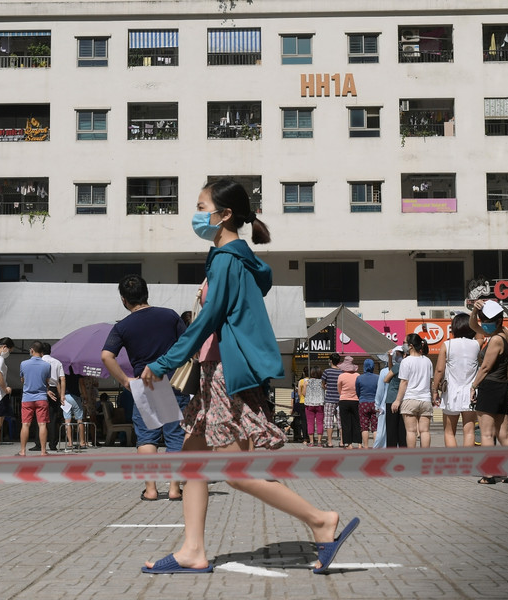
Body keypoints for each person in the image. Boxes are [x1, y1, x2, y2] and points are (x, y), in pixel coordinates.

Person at [140, 179, 358, 574]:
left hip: (225, 375)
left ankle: (321, 521)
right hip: (214, 375)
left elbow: (209, 318)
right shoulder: (231, 259)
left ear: (224, 215)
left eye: (201, 204)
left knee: (235, 474)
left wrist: (164, 362)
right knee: (191, 463)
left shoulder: (226, 260)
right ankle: (192, 549)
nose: (196, 212)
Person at [102, 273, 189, 501]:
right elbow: (188, 344)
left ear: (124, 300)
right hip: (173, 382)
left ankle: (150, 490)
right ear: (147, 293)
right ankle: (174, 488)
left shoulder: (123, 327)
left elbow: (106, 356)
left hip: (144, 385)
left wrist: (125, 381)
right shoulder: (169, 316)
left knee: (146, 438)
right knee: (175, 436)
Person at [469, 299, 508, 484]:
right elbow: (473, 326)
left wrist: (473, 386)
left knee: (486, 434)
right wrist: (474, 312)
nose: (484, 323)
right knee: (503, 435)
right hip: (502, 388)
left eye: (487, 319)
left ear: (499, 320)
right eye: (483, 319)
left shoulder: (495, 340)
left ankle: (489, 474)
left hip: (489, 387)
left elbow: (485, 368)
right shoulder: (504, 333)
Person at [432, 312, 482, 448]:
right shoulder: (476, 345)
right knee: (469, 431)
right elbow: (480, 334)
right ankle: (468, 464)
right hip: (471, 393)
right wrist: (474, 317)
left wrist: (435, 390)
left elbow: (439, 370)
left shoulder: (447, 345)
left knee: (449, 432)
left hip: (451, 394)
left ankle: (454, 464)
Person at [391, 334, 433, 448]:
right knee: (425, 431)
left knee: (411, 431)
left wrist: (397, 401)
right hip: (425, 399)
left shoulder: (406, 361)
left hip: (410, 399)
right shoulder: (428, 361)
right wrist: (433, 397)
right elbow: (430, 382)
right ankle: (425, 456)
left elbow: (404, 382)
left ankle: (412, 456)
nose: (403, 344)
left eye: (404, 342)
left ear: (410, 346)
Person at [18, 341, 52, 456]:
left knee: (25, 424)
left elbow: (22, 380)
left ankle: (22, 451)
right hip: (42, 397)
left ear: (32, 350)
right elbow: (47, 382)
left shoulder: (23, 364)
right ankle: (43, 451)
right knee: (42, 425)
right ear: (42, 352)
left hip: (27, 398)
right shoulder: (47, 365)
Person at [41, 342, 66, 452]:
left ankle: (39, 444)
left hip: (42, 389)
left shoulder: (39, 362)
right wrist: (62, 395)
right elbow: (62, 379)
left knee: (40, 417)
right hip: (54, 389)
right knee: (53, 418)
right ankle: (53, 444)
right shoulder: (57, 362)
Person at [383, 346, 408, 447]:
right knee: (402, 428)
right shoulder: (407, 366)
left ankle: (391, 449)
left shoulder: (398, 366)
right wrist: (389, 358)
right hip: (404, 398)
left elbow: (386, 379)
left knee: (391, 428)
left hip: (392, 398)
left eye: (397, 354)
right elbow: (391, 369)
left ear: (404, 354)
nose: (396, 356)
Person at [336, 356, 361, 449]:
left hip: (344, 400)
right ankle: (359, 443)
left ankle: (349, 444)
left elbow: (339, 390)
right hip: (356, 400)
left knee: (345, 423)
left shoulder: (341, 376)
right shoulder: (358, 375)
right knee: (357, 422)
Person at [355, 359, 379, 449]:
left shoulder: (359, 378)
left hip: (363, 403)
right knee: (375, 426)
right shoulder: (378, 377)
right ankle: (375, 447)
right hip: (375, 403)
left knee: (364, 426)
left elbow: (357, 391)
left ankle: (365, 446)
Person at [320, 352, 343, 448]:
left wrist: (327, 387)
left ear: (330, 361)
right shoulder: (342, 372)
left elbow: (322, 385)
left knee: (329, 421)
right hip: (340, 399)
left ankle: (330, 442)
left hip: (329, 399)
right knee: (341, 421)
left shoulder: (326, 372)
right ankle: (342, 442)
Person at [301, 367, 325, 447]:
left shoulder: (306, 382)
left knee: (310, 422)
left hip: (309, 404)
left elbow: (304, 393)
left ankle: (311, 442)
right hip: (320, 404)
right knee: (320, 422)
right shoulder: (322, 382)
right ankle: (319, 442)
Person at [372, 357, 389, 449]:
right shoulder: (403, 369)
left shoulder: (384, 372)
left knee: (382, 430)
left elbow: (380, 391)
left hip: (384, 405)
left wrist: (377, 405)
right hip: (399, 405)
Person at [292, 367, 308, 444]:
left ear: (304, 373)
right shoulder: (313, 381)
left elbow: (299, 393)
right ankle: (310, 437)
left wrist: (301, 398)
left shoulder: (301, 381)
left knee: (303, 421)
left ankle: (305, 437)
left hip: (302, 402)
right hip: (311, 403)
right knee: (310, 421)